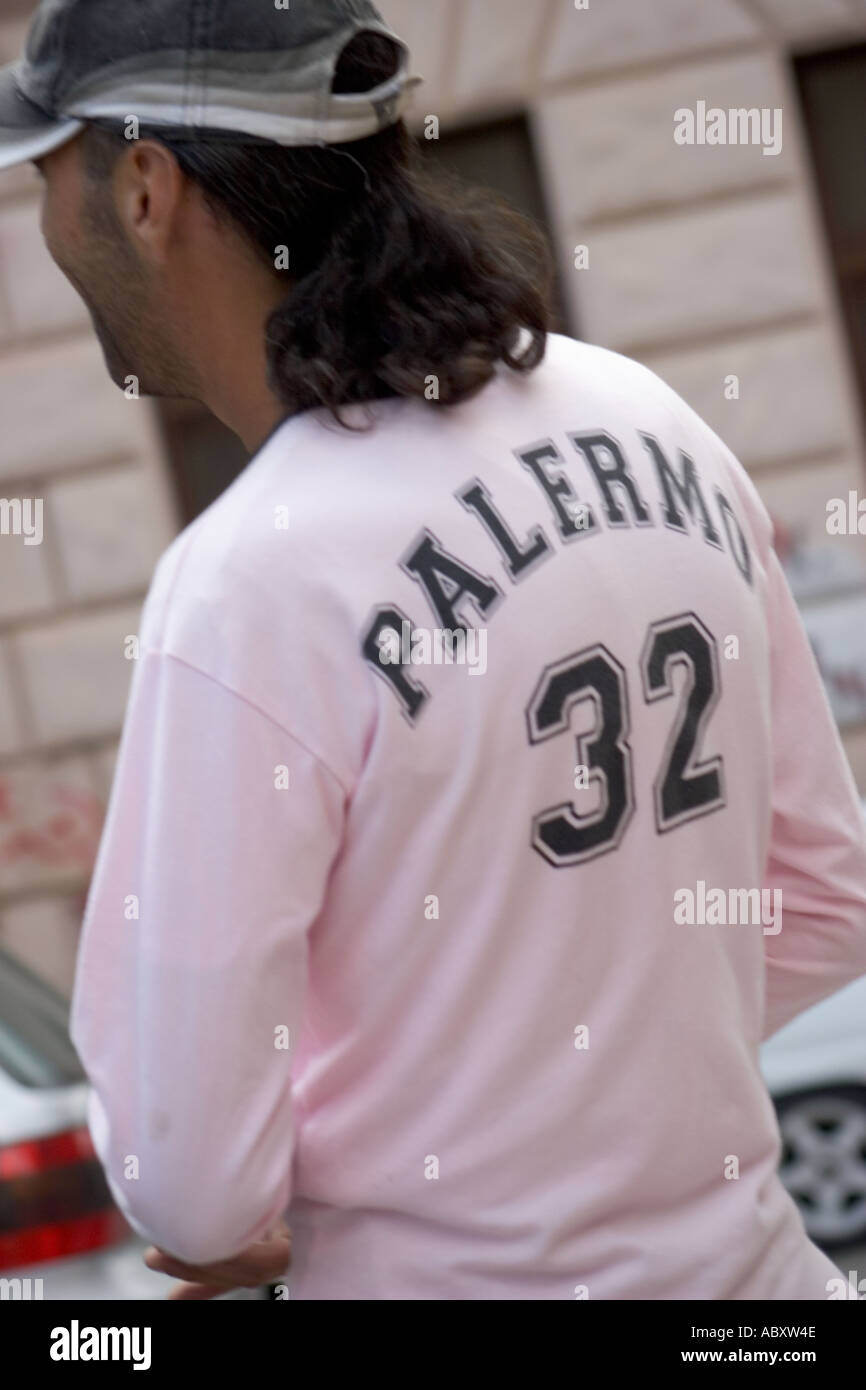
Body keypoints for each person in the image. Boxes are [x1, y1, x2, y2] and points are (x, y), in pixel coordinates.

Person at [2, 0, 865, 1302]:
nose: (41, 217)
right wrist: (570, 1099)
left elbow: (187, 1181)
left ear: (140, 188)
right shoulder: (654, 417)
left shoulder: (249, 578)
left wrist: (437, 1145)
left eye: (45, 172)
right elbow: (827, 896)